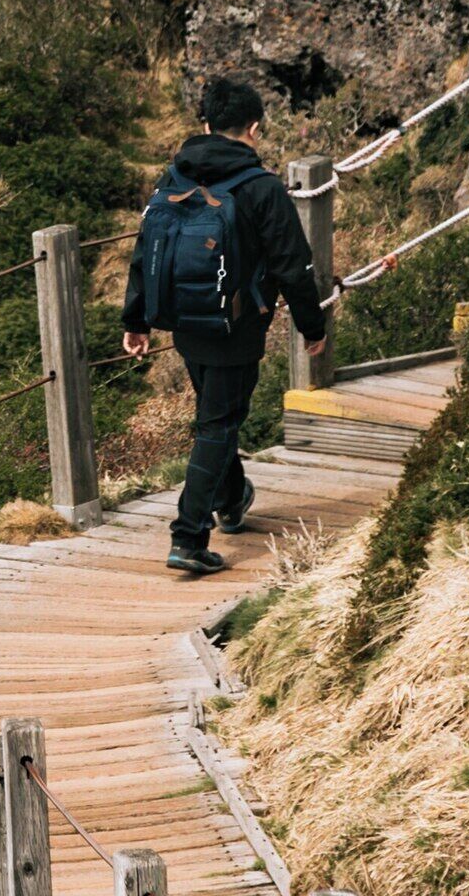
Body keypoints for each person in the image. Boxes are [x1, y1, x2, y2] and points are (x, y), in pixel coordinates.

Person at [123, 75, 331, 577]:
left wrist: (136, 321)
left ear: (206, 125)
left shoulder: (174, 177)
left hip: (184, 324)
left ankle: (233, 498)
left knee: (217, 418)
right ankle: (188, 537)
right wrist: (312, 326)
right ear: (253, 128)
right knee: (218, 424)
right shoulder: (260, 187)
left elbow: (146, 247)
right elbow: (293, 264)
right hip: (237, 327)